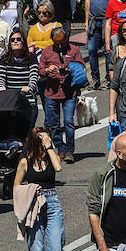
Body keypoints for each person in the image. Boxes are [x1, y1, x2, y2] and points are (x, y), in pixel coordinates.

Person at [16, 128, 65, 251]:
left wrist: (50, 147)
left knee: (56, 250)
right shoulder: (25, 162)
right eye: (44, 141)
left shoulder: (51, 157)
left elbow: (58, 168)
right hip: (33, 205)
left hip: (52, 203)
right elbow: (16, 186)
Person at [39, 27, 85, 163]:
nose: (59, 46)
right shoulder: (47, 52)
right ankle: (60, 148)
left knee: (69, 122)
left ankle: (70, 150)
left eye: (62, 42)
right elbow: (40, 69)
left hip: (69, 93)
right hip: (51, 92)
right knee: (53, 124)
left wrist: (70, 70)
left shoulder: (74, 50)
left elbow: (81, 66)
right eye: (56, 43)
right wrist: (47, 70)